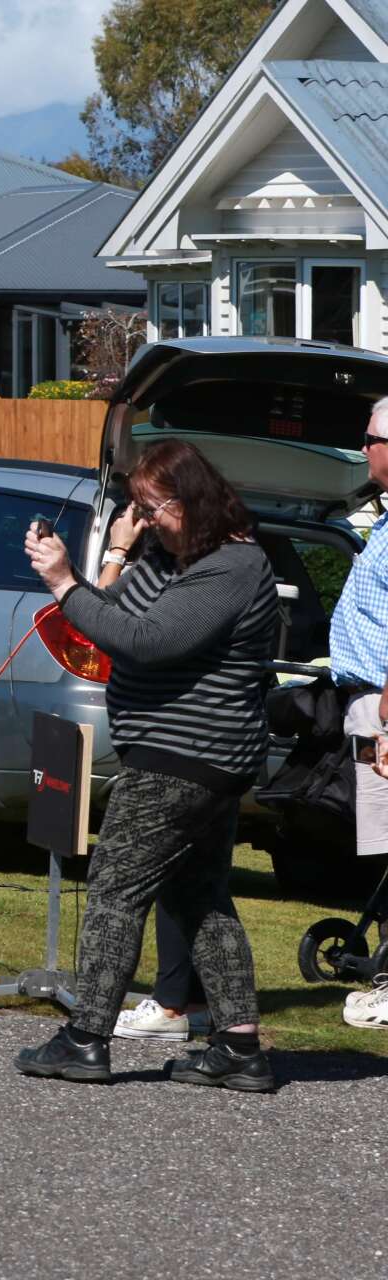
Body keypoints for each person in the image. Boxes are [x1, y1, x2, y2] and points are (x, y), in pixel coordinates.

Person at [16, 438, 279, 1092]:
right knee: (201, 899)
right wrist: (113, 552)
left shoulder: (234, 567)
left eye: (153, 506)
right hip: (185, 757)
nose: (147, 517)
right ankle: (240, 1048)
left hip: (187, 758)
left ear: (191, 500)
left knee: (114, 887)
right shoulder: (172, 561)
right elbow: (104, 622)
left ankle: (85, 1038)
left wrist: (61, 582)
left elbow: (150, 641)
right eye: (138, 506)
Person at [326, 398, 388, 1032]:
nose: (362, 447)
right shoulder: (384, 521)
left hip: (386, 704)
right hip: (368, 700)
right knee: (382, 841)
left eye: (368, 437)